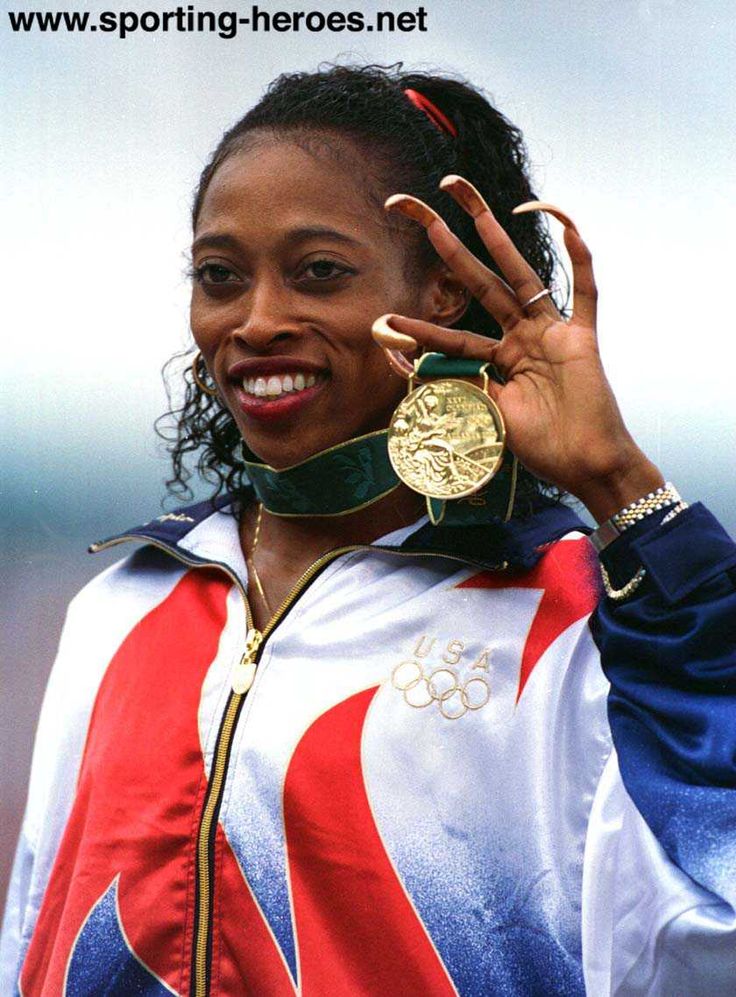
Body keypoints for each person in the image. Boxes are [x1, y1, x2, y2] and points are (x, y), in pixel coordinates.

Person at [2, 64, 735, 997]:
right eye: (221, 276)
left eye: (319, 272)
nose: (257, 320)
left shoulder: (569, 621)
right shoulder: (120, 605)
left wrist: (621, 484)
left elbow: (710, 916)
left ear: (440, 289)